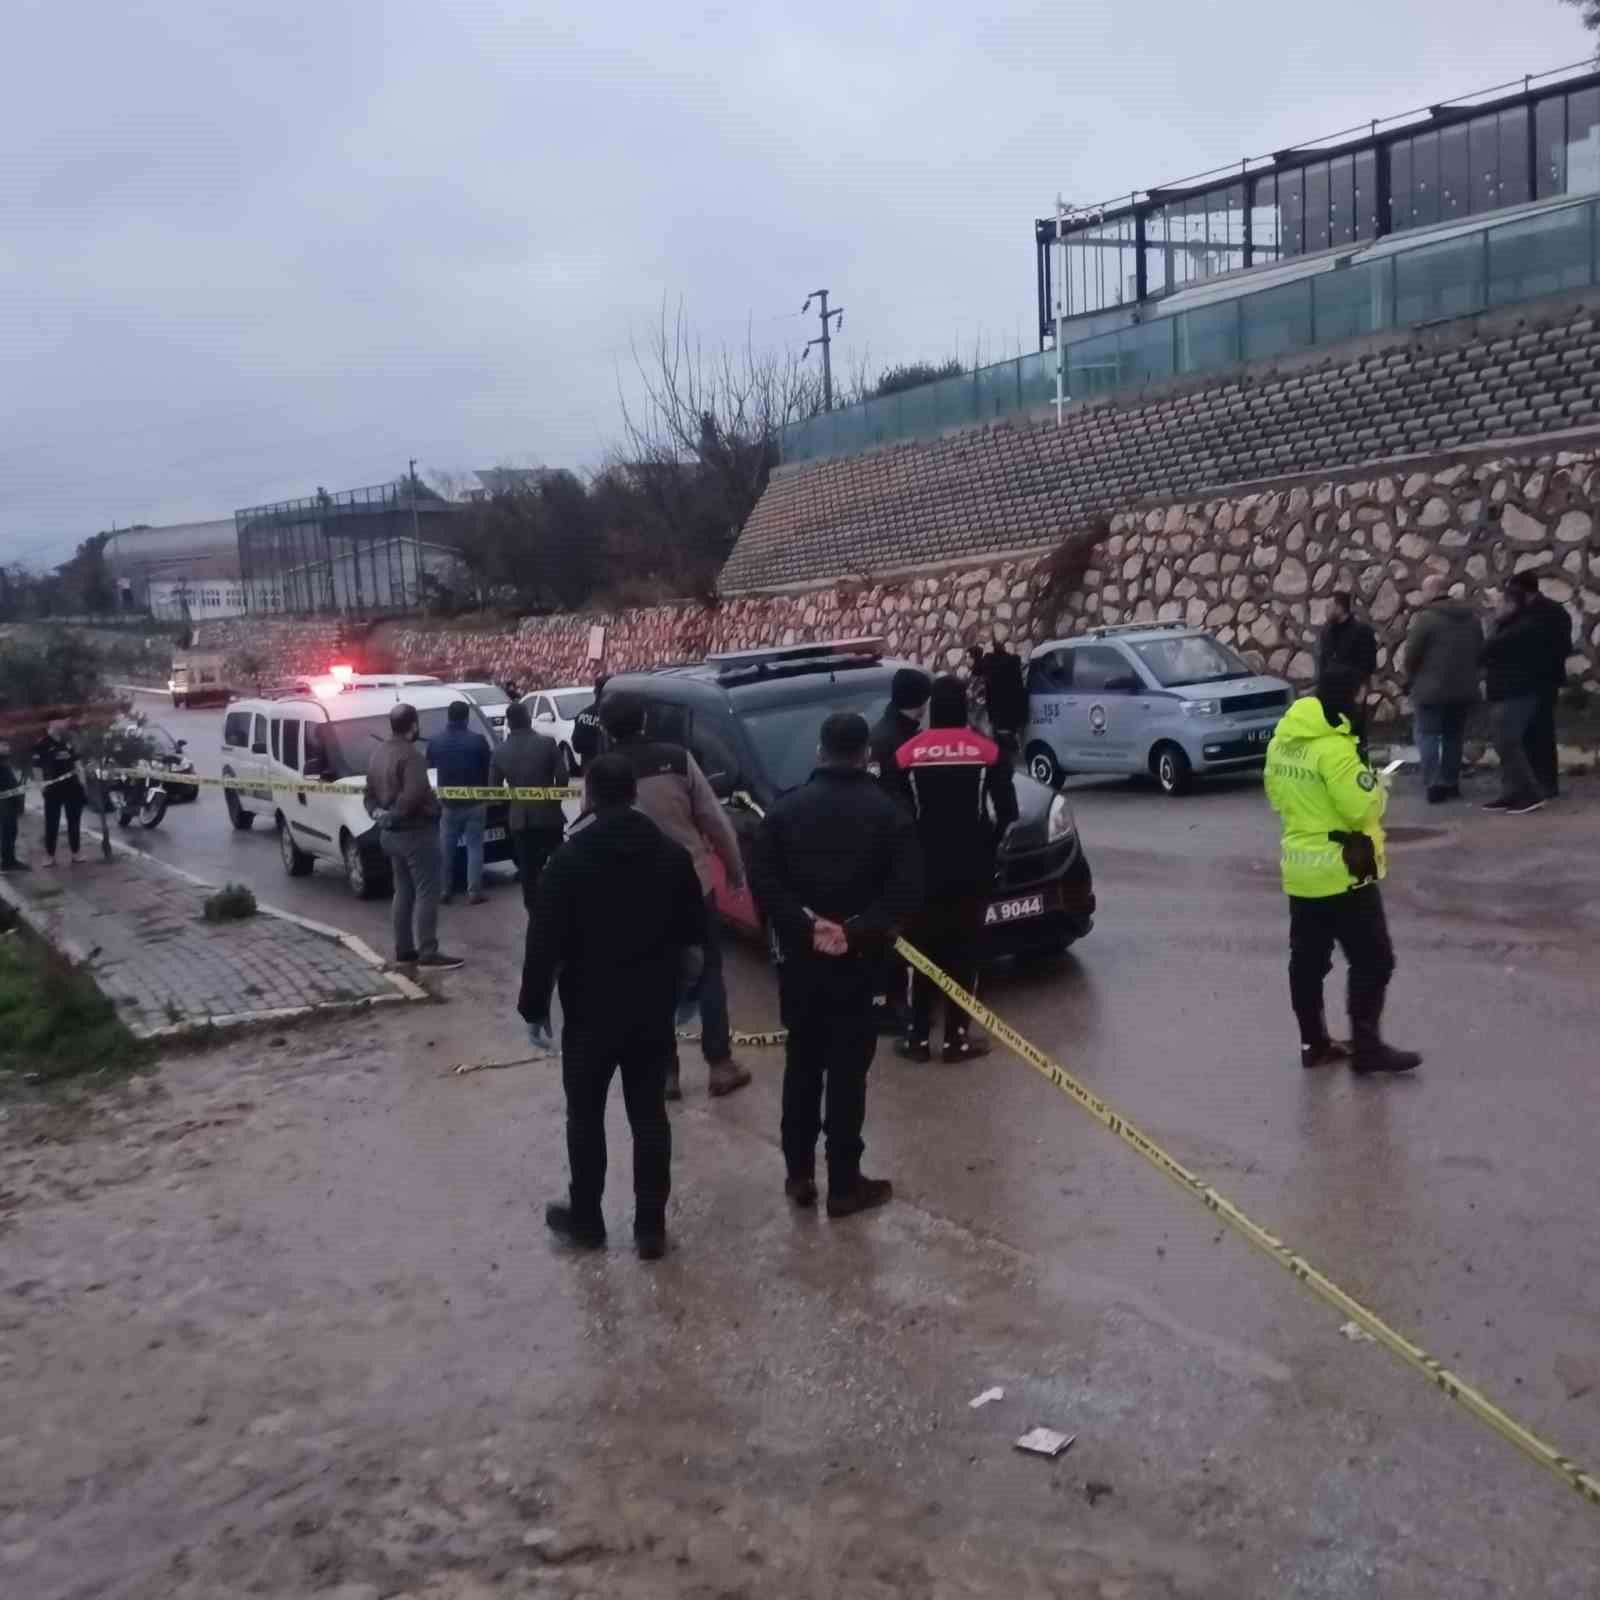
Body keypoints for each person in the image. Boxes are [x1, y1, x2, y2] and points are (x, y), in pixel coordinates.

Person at [519, 754, 708, 1260]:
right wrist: (689, 995)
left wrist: (533, 1008)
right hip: (651, 1011)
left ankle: (587, 1219)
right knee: (649, 1115)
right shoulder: (671, 855)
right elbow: (696, 937)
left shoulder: (567, 861)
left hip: (588, 1013)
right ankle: (650, 1227)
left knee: (585, 1116)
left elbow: (544, 943)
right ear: (634, 794)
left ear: (591, 797)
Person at [749, 712, 923, 1219]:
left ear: (821, 752)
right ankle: (844, 1185)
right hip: (860, 965)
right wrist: (857, 930)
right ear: (866, 755)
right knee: (848, 1075)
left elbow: (763, 882)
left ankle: (799, 1174)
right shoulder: (888, 814)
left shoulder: (783, 812)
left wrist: (805, 927)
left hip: (801, 966)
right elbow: (907, 890)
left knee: (802, 1066)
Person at [1264, 665, 1420, 1075]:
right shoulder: (1333, 749)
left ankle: (1313, 1043)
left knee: (1308, 962)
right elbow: (1360, 807)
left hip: (1301, 871)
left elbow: (1276, 798)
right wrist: (1377, 786)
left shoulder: (1283, 741)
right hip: (1344, 871)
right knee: (1374, 960)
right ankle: (1367, 1049)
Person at [600, 691, 752, 1100]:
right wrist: (735, 871)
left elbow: (593, 835)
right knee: (708, 973)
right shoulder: (677, 758)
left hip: (634, 894)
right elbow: (714, 821)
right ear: (645, 720)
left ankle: (666, 1074)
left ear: (605, 727)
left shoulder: (603, 772)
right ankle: (720, 1065)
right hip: (691, 884)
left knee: (652, 980)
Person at [894, 675, 1018, 1063]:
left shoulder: (906, 754)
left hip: (922, 871)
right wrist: (989, 845)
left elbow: (896, 817)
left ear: (932, 709)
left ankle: (917, 1038)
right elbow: (1008, 812)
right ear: (965, 708)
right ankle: (956, 1038)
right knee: (964, 952)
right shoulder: (988, 751)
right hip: (971, 871)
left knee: (920, 951)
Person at [365, 702, 463, 971]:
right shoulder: (412, 756)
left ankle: (404, 949)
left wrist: (378, 815)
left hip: (391, 835)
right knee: (427, 892)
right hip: (416, 832)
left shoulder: (378, 753)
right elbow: (414, 793)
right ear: (414, 726)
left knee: (403, 891)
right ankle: (428, 952)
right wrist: (395, 814)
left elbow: (369, 794)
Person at [865, 667, 930, 1031]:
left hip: (896, 847)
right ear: (920, 704)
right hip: (894, 850)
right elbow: (884, 797)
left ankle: (897, 999)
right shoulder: (889, 740)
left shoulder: (892, 734)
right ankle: (892, 1004)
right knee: (896, 930)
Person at [1403, 576, 1482, 804]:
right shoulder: (1471, 619)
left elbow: (1411, 655)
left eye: (1423, 590)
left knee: (1427, 735)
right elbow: (1479, 650)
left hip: (1430, 689)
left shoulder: (1426, 619)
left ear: (1432, 591)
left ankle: (1434, 784)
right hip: (1463, 688)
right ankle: (1451, 782)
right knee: (1453, 736)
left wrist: (1410, 677)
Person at [491, 698, 570, 915]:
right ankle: (563, 903)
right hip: (549, 815)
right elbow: (562, 777)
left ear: (509, 723)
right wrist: (554, 800)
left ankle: (533, 910)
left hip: (520, 820)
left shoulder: (499, 752)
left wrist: (513, 804)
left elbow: (494, 790)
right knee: (560, 861)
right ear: (527, 719)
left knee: (527, 868)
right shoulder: (547, 744)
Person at [1481, 582, 1553, 816]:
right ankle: (1511, 793)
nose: (1494, 608)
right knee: (1504, 744)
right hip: (1506, 692)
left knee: (1508, 744)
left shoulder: (1524, 627)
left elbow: (1487, 649)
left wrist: (1494, 620)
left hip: (1516, 693)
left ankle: (1530, 794)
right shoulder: (1513, 624)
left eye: (1499, 603)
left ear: (1512, 604)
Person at [1507, 571, 1573, 800]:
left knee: (1539, 733)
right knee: (1533, 733)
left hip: (1539, 680)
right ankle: (1540, 783)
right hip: (1538, 680)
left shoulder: (1540, 613)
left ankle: (1543, 783)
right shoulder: (1553, 610)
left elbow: (1561, 646)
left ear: (1524, 591)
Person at [427, 700, 494, 904]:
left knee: (446, 849)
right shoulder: (478, 740)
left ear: (449, 716)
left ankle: (444, 891)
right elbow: (487, 769)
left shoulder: (436, 742)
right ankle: (474, 891)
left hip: (448, 804)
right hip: (475, 802)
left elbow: (429, 769)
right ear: (466, 718)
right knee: (475, 847)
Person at [31, 720, 84, 866]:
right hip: (53, 790)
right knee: (51, 824)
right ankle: (49, 856)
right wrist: (42, 787)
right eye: (59, 722)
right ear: (50, 724)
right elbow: (37, 768)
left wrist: (82, 784)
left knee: (74, 822)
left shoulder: (68, 742)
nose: (62, 724)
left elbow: (78, 764)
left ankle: (76, 853)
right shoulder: (41, 744)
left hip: (73, 788)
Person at [984, 642, 1028, 752]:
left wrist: (990, 714)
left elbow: (989, 691)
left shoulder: (991, 665)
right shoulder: (1013, 662)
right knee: (1010, 734)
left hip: (997, 708)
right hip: (1014, 707)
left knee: (1000, 740)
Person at [569, 673, 610, 774]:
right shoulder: (614, 715)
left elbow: (576, 746)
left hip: (590, 769)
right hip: (611, 770)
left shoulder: (582, 715)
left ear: (595, 692)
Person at [0, 737, 27, 872]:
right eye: (4, 745)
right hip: (4, 805)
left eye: (7, 745)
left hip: (9, 804)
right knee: (7, 832)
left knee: (11, 832)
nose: (7, 748)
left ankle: (9, 860)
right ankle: (7, 862)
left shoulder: (4, 763)